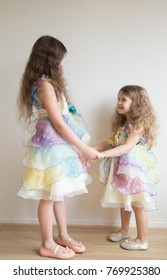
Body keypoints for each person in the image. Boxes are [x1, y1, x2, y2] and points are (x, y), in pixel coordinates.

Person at [17, 35, 102, 259]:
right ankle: (46, 243)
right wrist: (84, 149)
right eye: (60, 59)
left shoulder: (48, 82)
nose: (62, 64)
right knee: (49, 196)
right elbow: (58, 123)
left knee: (58, 193)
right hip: (52, 147)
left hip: (58, 145)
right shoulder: (44, 84)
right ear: (49, 59)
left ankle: (63, 235)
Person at [94, 85, 159, 250]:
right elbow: (112, 142)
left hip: (134, 171)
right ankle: (124, 230)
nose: (119, 102)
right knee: (125, 201)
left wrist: (104, 154)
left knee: (138, 204)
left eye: (124, 99)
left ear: (137, 103)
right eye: (119, 99)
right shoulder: (124, 124)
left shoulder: (139, 124)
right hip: (123, 169)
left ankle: (142, 240)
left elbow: (127, 147)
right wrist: (94, 149)